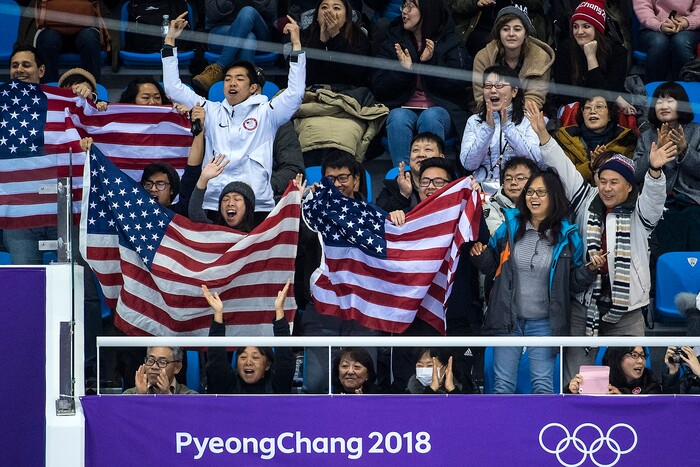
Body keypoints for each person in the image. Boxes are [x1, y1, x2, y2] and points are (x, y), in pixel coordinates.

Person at [525, 100, 677, 386]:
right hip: (585, 305)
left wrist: (655, 172)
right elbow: (563, 166)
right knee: (578, 380)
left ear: (630, 185)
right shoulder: (584, 199)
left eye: (614, 182)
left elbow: (655, 200)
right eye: (602, 180)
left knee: (633, 380)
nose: (606, 187)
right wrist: (543, 137)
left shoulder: (640, 212)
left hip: (628, 311)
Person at [162, 12, 306, 217]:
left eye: (239, 79)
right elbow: (174, 89)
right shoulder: (211, 110)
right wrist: (169, 42)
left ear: (253, 87)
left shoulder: (268, 113)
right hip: (213, 202)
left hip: (257, 204)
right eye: (228, 78)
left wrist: (297, 47)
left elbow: (295, 94)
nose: (232, 83)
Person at [470, 170, 601, 394]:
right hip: (508, 320)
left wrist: (589, 270)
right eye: (530, 192)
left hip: (545, 323)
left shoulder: (569, 236)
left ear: (554, 197)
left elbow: (572, 286)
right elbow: (491, 266)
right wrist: (480, 254)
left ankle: (542, 430)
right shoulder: (509, 227)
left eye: (541, 192)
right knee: (502, 385)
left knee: (543, 386)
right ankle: (505, 430)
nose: (534, 197)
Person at [297, 152, 382, 393]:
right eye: (330, 179)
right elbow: (299, 238)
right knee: (316, 384)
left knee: (365, 382)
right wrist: (305, 202)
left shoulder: (374, 216)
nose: (336, 184)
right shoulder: (311, 213)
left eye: (342, 177)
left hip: (362, 310)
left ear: (356, 180)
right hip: (323, 310)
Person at [372, 0, 470, 166]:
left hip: (440, 110)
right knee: (397, 117)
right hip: (402, 107)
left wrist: (430, 63)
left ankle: (432, 176)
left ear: (427, 10)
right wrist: (404, 71)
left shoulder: (450, 41)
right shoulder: (393, 40)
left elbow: (457, 85)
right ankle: (402, 179)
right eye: (404, 6)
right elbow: (379, 85)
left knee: (430, 116)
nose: (404, 11)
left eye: (411, 7)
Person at [632, 82, 700, 258]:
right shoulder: (647, 137)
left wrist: (685, 149)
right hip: (658, 201)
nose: (663, 106)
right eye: (659, 102)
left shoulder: (697, 132)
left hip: (692, 199)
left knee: (693, 217)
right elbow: (634, 174)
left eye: (670, 101)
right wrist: (652, 156)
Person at [460, 65, 542, 196]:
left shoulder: (528, 120)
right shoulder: (474, 121)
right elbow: (468, 164)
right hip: (482, 191)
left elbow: (536, 160)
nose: (493, 90)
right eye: (488, 86)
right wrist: (487, 129)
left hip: (519, 192)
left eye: (499, 86)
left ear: (514, 91)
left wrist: (507, 127)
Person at [202, 280, 295, 394]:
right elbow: (216, 361)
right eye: (243, 357)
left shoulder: (278, 387)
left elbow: (284, 361)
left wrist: (279, 311)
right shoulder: (229, 386)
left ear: (267, 365)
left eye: (255, 357)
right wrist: (218, 314)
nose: (248, 362)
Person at [552, 0, 634, 115]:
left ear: (597, 28)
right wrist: (616, 98)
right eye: (575, 27)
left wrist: (591, 59)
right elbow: (565, 95)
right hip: (575, 108)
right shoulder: (565, 49)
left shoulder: (617, 52)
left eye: (586, 26)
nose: (579, 32)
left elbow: (609, 95)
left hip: (607, 109)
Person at [472, 6, 555, 110]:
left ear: (526, 34)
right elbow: (481, 97)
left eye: (517, 29)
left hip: (527, 115)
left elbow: (534, 99)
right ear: (499, 33)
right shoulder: (483, 57)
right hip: (491, 113)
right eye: (505, 29)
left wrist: (513, 117)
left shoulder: (541, 58)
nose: (511, 34)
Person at [193, 0, 277, 93]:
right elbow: (211, 14)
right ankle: (251, 87)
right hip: (222, 32)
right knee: (248, 38)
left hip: (259, 35)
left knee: (248, 11)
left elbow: (271, 12)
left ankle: (219, 67)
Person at [555, 95, 638, 185]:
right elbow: (564, 176)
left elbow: (629, 177)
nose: (592, 111)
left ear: (610, 114)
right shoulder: (566, 139)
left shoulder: (626, 140)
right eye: (587, 108)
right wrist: (590, 166)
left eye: (599, 107)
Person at [301, 0, 371, 87]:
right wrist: (320, 43)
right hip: (311, 93)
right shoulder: (306, 34)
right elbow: (302, 75)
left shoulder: (358, 35)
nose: (329, 11)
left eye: (336, 8)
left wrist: (336, 36)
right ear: (317, 16)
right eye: (324, 7)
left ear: (346, 17)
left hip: (347, 94)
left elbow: (357, 74)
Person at [375, 132, 446, 213]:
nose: (421, 154)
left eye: (428, 149)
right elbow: (378, 216)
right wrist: (402, 196)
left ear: (441, 157)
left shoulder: (453, 185)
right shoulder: (394, 186)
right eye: (415, 150)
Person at [633, 0, 700, 82]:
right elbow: (642, 6)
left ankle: (686, 88)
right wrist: (658, 25)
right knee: (659, 43)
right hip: (653, 27)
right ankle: (655, 89)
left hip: (688, 27)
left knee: (680, 41)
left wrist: (687, 22)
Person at [189, 155, 256, 232]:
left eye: (237, 199)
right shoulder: (214, 231)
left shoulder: (259, 236)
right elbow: (195, 214)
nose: (230, 203)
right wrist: (203, 178)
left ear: (248, 206)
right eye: (225, 199)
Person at [566, 347, 662, 394]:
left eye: (643, 355)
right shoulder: (597, 380)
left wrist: (621, 401)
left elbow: (649, 413)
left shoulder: (650, 383)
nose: (641, 361)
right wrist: (570, 392)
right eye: (634, 355)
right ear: (617, 358)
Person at [482, 155, 539, 235]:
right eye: (508, 179)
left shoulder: (543, 203)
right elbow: (499, 238)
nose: (513, 182)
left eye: (520, 178)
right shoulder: (491, 206)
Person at [123, 346, 198, 394]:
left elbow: (186, 418)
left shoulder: (190, 397)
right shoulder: (130, 394)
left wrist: (168, 397)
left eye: (162, 362)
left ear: (177, 367)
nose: (154, 366)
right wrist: (140, 397)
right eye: (150, 360)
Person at [406, 348, 479, 394]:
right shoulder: (408, 393)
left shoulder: (467, 387)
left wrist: (452, 390)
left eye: (430, 365)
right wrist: (431, 389)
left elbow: (464, 414)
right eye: (420, 366)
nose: (424, 369)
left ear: (445, 367)